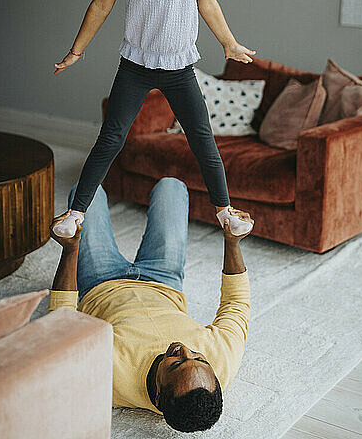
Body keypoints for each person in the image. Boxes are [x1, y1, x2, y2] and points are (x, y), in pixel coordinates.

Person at [51, 0, 256, 239]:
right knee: (111, 137)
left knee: (201, 138)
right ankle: (75, 212)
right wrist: (76, 51)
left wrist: (229, 42)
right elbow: (100, 5)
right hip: (135, 67)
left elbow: (208, 6)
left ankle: (225, 210)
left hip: (180, 69)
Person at [48, 177, 252, 433]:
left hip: (101, 284)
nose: (184, 349)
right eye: (198, 357)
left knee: (85, 189)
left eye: (176, 363)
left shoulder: (106, 379)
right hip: (164, 280)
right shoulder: (221, 360)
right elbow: (236, 303)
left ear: (157, 398)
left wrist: (69, 251)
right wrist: (233, 242)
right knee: (172, 186)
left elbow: (60, 324)